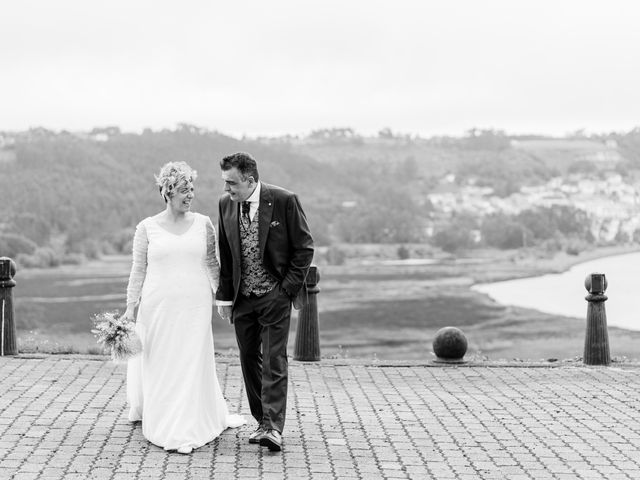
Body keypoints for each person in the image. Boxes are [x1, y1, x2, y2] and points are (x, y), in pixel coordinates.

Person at [123, 161, 245, 454]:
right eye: (182, 190)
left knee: (190, 360)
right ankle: (165, 419)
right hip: (158, 306)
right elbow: (138, 270)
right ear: (167, 192)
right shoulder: (147, 227)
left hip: (195, 304)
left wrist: (222, 298)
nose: (189, 195)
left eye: (191, 189)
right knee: (163, 362)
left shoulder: (204, 223)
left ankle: (186, 425)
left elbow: (212, 264)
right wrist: (130, 308)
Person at [216, 152, 314, 452]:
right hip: (242, 298)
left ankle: (273, 427)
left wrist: (286, 290)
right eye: (225, 183)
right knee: (248, 358)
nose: (227, 189)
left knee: (274, 358)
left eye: (232, 183)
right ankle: (261, 420)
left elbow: (304, 248)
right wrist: (225, 296)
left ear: (250, 179)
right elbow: (227, 253)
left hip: (275, 295)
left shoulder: (284, 200)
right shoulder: (225, 205)